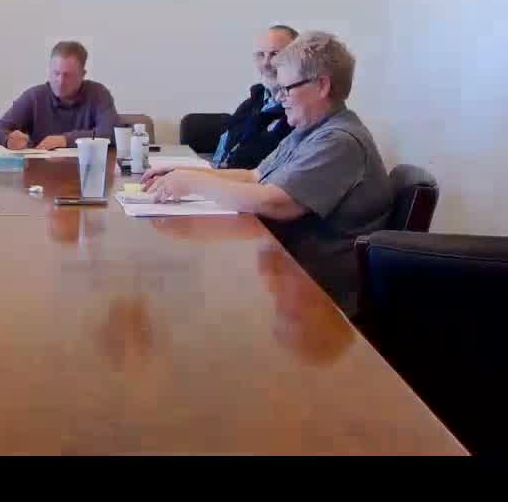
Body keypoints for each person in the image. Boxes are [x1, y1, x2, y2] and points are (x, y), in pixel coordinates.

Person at [143, 31, 390, 317]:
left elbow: (277, 203)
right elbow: (254, 176)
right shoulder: (308, 130)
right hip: (289, 267)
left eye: (287, 89)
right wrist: (183, 172)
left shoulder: (338, 141)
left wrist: (194, 183)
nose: (280, 98)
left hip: (319, 292)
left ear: (322, 85)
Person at [0, 41, 119, 150]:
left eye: (68, 75)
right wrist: (8, 140)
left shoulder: (98, 93)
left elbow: (111, 133)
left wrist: (64, 140)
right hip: (40, 169)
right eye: (56, 73)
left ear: (82, 74)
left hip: (86, 168)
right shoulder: (34, 97)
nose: (61, 81)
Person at [212, 25, 299, 169]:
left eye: (275, 54)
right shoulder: (251, 103)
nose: (266, 63)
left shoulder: (299, 111)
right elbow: (220, 155)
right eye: (261, 55)